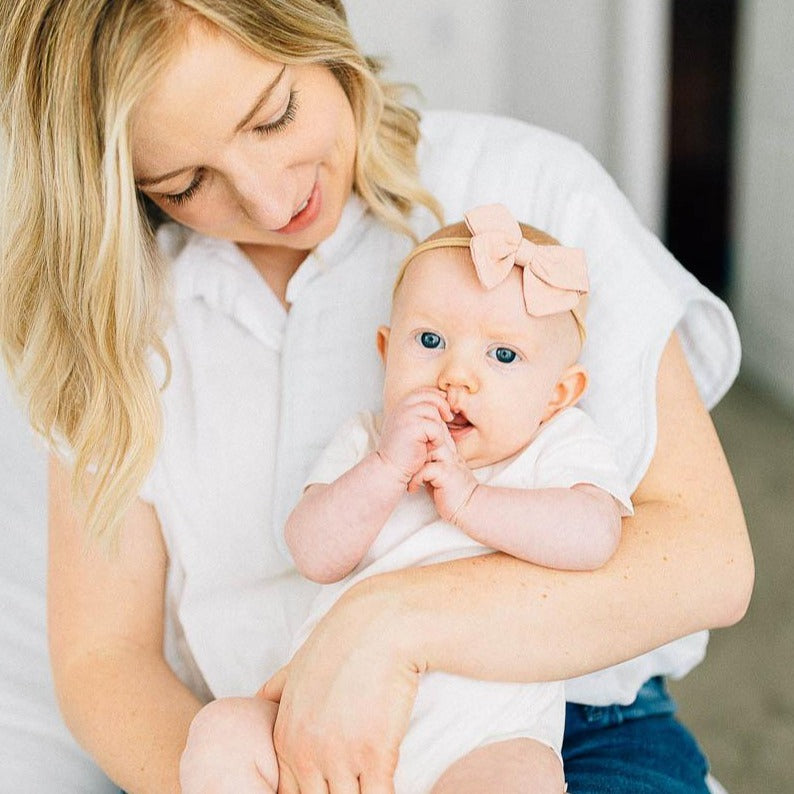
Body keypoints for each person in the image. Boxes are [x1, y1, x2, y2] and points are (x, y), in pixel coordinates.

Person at [0, 2, 752, 793]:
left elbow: (709, 561)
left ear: (315, 28)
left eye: (274, 117)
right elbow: (103, 657)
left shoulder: (525, 194)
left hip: (557, 726)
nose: (265, 200)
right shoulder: (131, 317)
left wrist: (390, 625)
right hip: (279, 745)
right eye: (187, 185)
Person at [180, 205, 634, 794]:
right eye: (429, 341)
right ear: (385, 350)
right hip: (323, 728)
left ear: (557, 394)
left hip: (484, 741)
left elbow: (596, 536)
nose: (456, 375)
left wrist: (472, 502)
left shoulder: (556, 446)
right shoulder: (368, 443)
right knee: (222, 732)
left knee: (524, 780)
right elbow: (314, 552)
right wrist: (387, 469)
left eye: (503, 356)